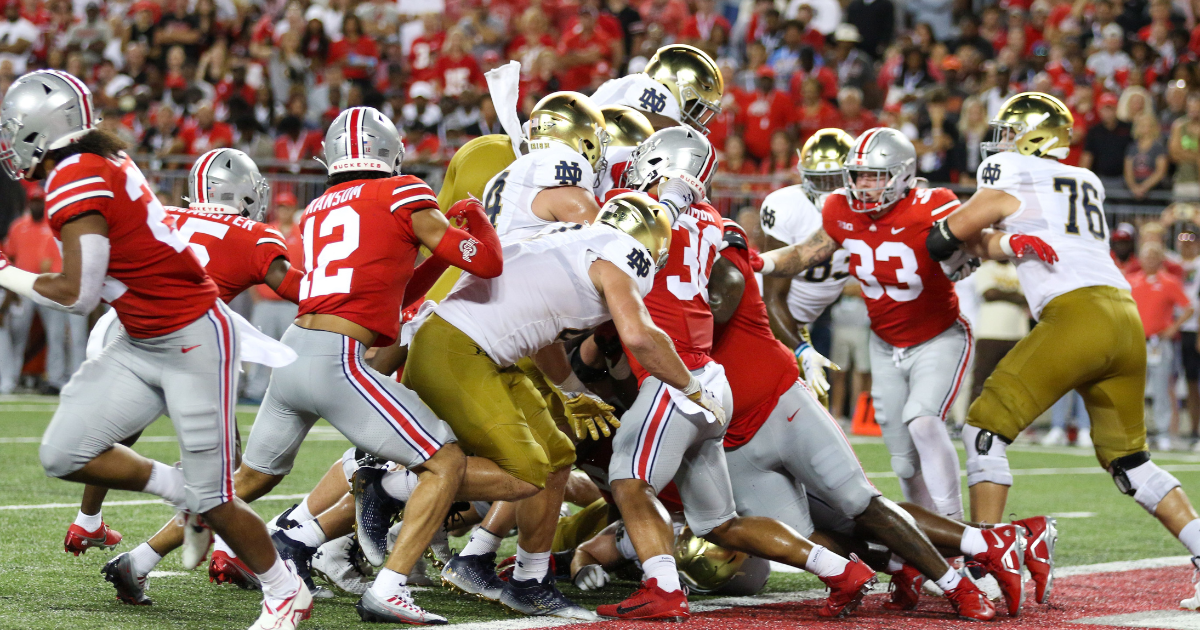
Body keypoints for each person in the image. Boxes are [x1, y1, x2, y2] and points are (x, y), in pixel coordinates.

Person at [0, 70, 312, 630]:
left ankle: (284, 591)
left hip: (191, 335)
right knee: (64, 451)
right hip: (140, 334)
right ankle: (177, 490)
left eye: (13, 127)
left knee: (217, 495)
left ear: (40, 129)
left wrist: (7, 273)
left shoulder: (78, 175)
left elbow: (76, 292)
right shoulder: (102, 162)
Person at [926, 91, 1200, 609]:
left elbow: (948, 238)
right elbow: (1005, 235)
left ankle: (987, 562)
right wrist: (997, 243)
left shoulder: (1013, 169)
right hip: (1122, 315)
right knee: (1130, 462)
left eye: (1009, 131)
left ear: (1031, 136)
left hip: (1076, 316)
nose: (1001, 142)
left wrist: (945, 230)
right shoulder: (1084, 179)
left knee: (984, 428)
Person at [601, 127, 876, 622]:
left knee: (628, 479)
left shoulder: (638, 211)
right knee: (721, 523)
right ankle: (842, 571)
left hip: (674, 377)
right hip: (712, 382)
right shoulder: (711, 219)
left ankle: (662, 590)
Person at [403, 192, 692, 622]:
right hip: (460, 348)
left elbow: (543, 333)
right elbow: (639, 337)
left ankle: (530, 580)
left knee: (557, 457)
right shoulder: (622, 253)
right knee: (527, 471)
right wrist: (693, 386)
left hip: (477, 347)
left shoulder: (571, 237)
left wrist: (573, 391)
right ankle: (384, 486)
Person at [710, 219, 997, 621]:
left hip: (780, 404)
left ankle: (957, 584)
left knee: (861, 503)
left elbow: (704, 310)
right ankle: (898, 568)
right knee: (801, 540)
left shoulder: (717, 259)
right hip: (729, 437)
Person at [95, 148, 305, 594]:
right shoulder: (252, 234)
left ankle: (101, 527)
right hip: (185, 353)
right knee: (232, 474)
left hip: (125, 332)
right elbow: (295, 289)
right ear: (241, 191)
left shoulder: (162, 214)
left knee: (222, 462)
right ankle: (268, 580)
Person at [759, 129, 975, 535]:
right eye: (858, 175)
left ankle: (958, 532)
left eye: (874, 176)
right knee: (903, 461)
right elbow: (805, 253)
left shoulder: (935, 204)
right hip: (884, 340)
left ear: (904, 175)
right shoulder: (841, 208)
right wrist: (758, 262)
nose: (863, 186)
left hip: (937, 334)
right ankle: (927, 538)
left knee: (924, 421)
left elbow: (976, 234)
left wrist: (978, 248)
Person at [759, 128, 852, 406]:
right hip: (769, 317)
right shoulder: (786, 205)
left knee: (814, 408)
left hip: (806, 318)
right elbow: (772, 296)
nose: (828, 190)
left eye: (835, 180)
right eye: (819, 180)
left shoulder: (866, 206)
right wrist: (800, 348)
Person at [1129, 241, 1194, 452]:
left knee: (1161, 389)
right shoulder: (1131, 281)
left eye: (1153, 256)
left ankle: (1164, 432)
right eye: (1145, 256)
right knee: (1133, 389)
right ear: (1140, 259)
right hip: (1136, 341)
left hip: (1159, 342)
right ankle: (1133, 433)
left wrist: (1173, 327)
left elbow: (1188, 308)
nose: (1149, 260)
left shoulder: (1169, 282)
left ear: (1160, 259)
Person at [591, 44, 724, 133]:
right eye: (694, 107)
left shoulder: (633, 84)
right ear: (673, 87)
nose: (696, 119)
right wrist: (681, 131)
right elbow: (629, 118)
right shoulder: (645, 90)